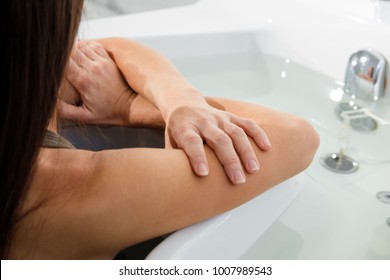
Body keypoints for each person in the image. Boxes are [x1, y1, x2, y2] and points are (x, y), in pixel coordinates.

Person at [0, 0, 319, 259]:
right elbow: (296, 135)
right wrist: (131, 106)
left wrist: (180, 98)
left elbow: (102, 52)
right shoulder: (69, 191)